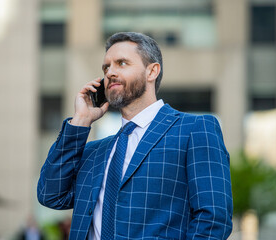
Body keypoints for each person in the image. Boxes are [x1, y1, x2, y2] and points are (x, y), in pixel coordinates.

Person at [37, 32, 233, 240]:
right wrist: (80, 122)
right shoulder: (94, 152)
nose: (110, 72)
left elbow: (213, 220)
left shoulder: (194, 129)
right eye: (106, 67)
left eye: (121, 63)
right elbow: (51, 195)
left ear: (152, 71)